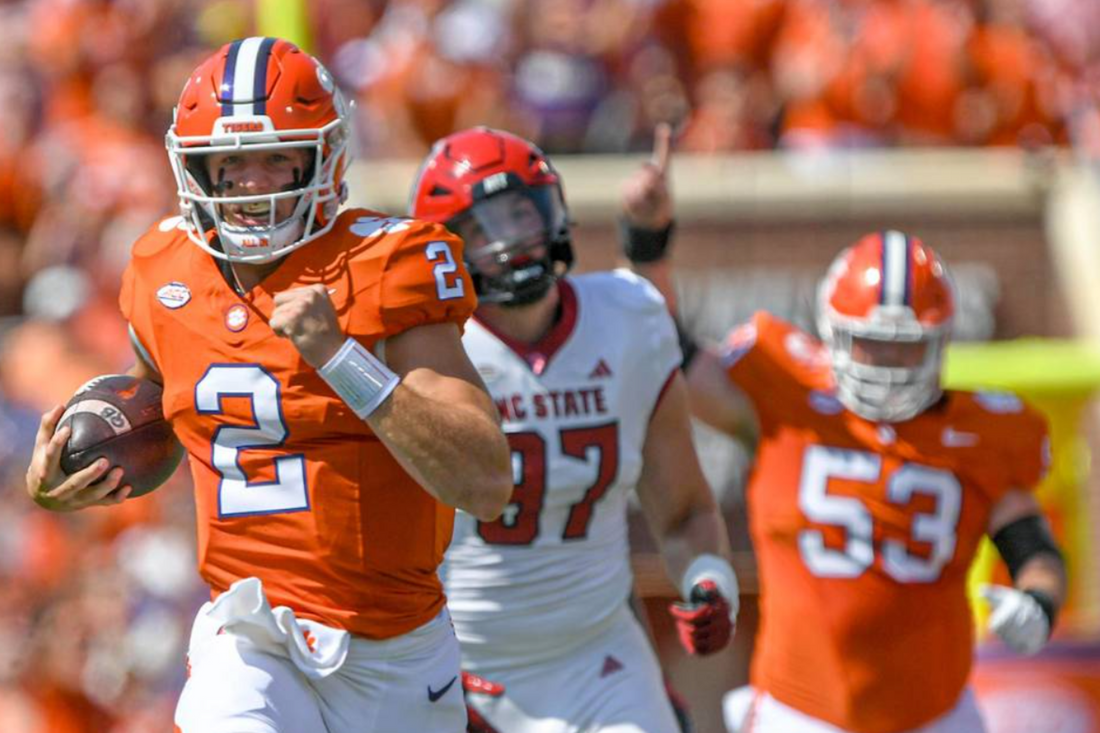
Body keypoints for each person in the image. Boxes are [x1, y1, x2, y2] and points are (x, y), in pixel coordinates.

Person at [24, 37, 513, 733]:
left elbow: (485, 480)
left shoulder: (387, 264)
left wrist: (339, 356)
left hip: (394, 646)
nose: (254, 184)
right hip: (249, 627)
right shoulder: (163, 271)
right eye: (231, 162)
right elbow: (165, 411)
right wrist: (71, 476)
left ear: (323, 155)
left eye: (276, 157)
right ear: (196, 169)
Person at [629, 220, 1066, 731]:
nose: (886, 361)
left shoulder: (979, 434)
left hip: (933, 716)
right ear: (832, 332)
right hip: (799, 712)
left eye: (905, 345)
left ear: (941, 341)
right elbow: (669, 350)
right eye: (869, 342)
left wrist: (1038, 603)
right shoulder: (786, 397)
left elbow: (1034, 547)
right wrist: (646, 241)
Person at [408, 126, 739, 733]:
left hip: (598, 656)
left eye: (521, 215)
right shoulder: (424, 348)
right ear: (444, 248)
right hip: (458, 662)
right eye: (483, 229)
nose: (511, 243)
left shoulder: (628, 318)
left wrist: (708, 576)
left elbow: (685, 508)